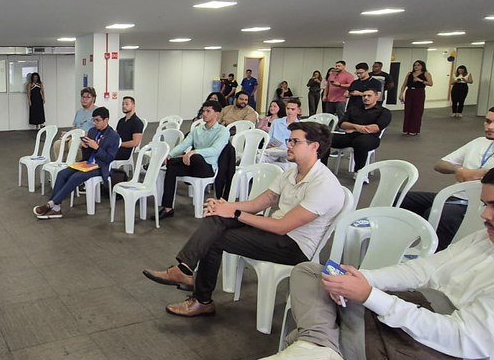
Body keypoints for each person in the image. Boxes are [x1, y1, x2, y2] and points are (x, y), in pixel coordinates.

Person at [191, 159, 494, 360]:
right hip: (422, 328)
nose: (484, 215)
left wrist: (371, 297)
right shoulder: (489, 239)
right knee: (312, 273)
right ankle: (316, 347)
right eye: (484, 205)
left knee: (307, 344)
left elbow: (462, 338)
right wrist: (363, 278)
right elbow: (424, 271)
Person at [143, 121, 344, 317]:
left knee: (212, 238)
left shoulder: (324, 184)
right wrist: (226, 207)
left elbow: (282, 227)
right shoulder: (291, 173)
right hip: (274, 233)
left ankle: (201, 299)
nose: (288, 145)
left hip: (294, 246)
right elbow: (259, 203)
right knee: (216, 217)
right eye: (289, 140)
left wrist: (236, 213)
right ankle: (185, 269)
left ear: (314, 146)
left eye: (295, 142)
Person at [400, 104, 494, 250]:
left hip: (481, 203)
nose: (490, 126)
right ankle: (396, 244)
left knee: (440, 214)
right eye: (488, 121)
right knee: (401, 198)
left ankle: (436, 255)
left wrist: (482, 173)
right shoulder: (479, 142)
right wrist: (459, 169)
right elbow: (440, 164)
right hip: (453, 196)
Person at [33, 107, 119, 219]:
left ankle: (51, 204)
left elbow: (109, 158)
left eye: (97, 120)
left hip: (100, 166)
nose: (95, 123)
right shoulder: (92, 131)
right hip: (87, 163)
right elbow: (87, 155)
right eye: (94, 120)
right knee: (62, 174)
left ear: (106, 120)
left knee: (75, 177)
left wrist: (97, 148)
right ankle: (56, 207)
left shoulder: (113, 136)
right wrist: (85, 147)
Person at [158, 101, 230, 220]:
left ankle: (158, 163)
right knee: (170, 166)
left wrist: (193, 152)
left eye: (208, 111)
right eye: (203, 111)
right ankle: (168, 208)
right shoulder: (197, 130)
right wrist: (170, 154)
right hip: (192, 165)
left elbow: (215, 150)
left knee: (195, 157)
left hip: (207, 168)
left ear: (216, 114)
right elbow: (183, 144)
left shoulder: (222, 131)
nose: (204, 114)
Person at [321, 89, 391, 174]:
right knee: (324, 138)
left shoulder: (384, 112)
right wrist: (356, 127)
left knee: (360, 142)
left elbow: (376, 127)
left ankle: (359, 172)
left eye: (369, 96)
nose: (366, 98)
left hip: (370, 138)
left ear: (377, 97)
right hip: (350, 136)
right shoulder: (353, 109)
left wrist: (352, 128)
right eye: (364, 96)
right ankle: (321, 169)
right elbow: (342, 124)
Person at [51, 86, 97, 160]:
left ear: (93, 99)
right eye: (83, 97)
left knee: (73, 143)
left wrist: (84, 135)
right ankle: (62, 167)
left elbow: (98, 129)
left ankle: (76, 167)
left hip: (86, 139)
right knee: (57, 144)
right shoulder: (79, 112)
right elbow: (74, 128)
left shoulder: (96, 112)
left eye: (88, 97)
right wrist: (67, 134)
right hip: (75, 137)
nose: (84, 99)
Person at [263, 98, 302, 165]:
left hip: (287, 151)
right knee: (260, 158)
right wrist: (269, 144)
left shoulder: (300, 126)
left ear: (298, 111)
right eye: (288, 108)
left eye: (293, 109)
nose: (290, 111)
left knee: (289, 163)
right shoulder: (276, 122)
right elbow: (269, 138)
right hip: (274, 150)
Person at [400, 59, 433, 136]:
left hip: (419, 92)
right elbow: (404, 84)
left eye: (418, 65)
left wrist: (420, 80)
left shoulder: (426, 74)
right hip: (410, 92)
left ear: (422, 66)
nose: (416, 67)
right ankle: (406, 129)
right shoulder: (410, 74)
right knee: (408, 110)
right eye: (415, 65)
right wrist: (401, 94)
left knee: (417, 111)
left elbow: (430, 83)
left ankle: (414, 129)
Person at [114, 96, 144, 161]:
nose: (124, 106)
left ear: (133, 105)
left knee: (103, 155)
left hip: (125, 151)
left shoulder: (137, 122)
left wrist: (120, 144)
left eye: (127, 104)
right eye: (123, 104)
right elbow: (115, 135)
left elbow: (135, 142)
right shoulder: (121, 121)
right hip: (116, 148)